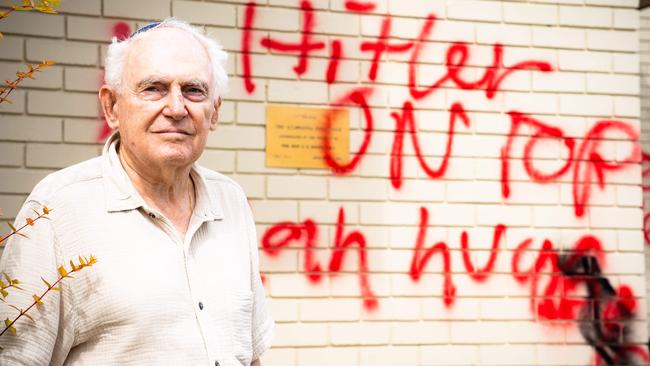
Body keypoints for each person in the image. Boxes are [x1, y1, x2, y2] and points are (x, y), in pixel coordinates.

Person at [0, 18, 273, 366]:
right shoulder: (57, 210)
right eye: (153, 88)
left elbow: (248, 353)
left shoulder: (231, 201)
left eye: (194, 90)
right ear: (111, 107)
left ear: (214, 112)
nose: (176, 108)